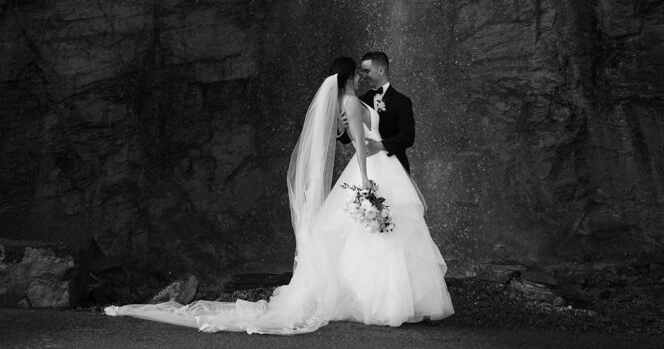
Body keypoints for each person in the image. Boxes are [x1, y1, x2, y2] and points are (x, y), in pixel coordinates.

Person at [105, 57, 454, 334]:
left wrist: (357, 144)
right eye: (359, 72)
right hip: (371, 171)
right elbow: (358, 146)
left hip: (384, 167)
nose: (364, 77)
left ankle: (382, 300)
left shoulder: (359, 100)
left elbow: (373, 135)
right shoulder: (352, 100)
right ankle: (384, 301)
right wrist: (365, 180)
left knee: (376, 237)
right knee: (375, 237)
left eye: (368, 71)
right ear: (350, 76)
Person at [339, 51, 415, 173]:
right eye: (362, 71)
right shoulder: (359, 101)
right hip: (369, 167)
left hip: (396, 169)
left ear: (381, 70)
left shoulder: (401, 101)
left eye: (366, 71)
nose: (363, 75)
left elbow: (408, 137)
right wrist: (340, 129)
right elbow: (348, 139)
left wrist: (380, 145)